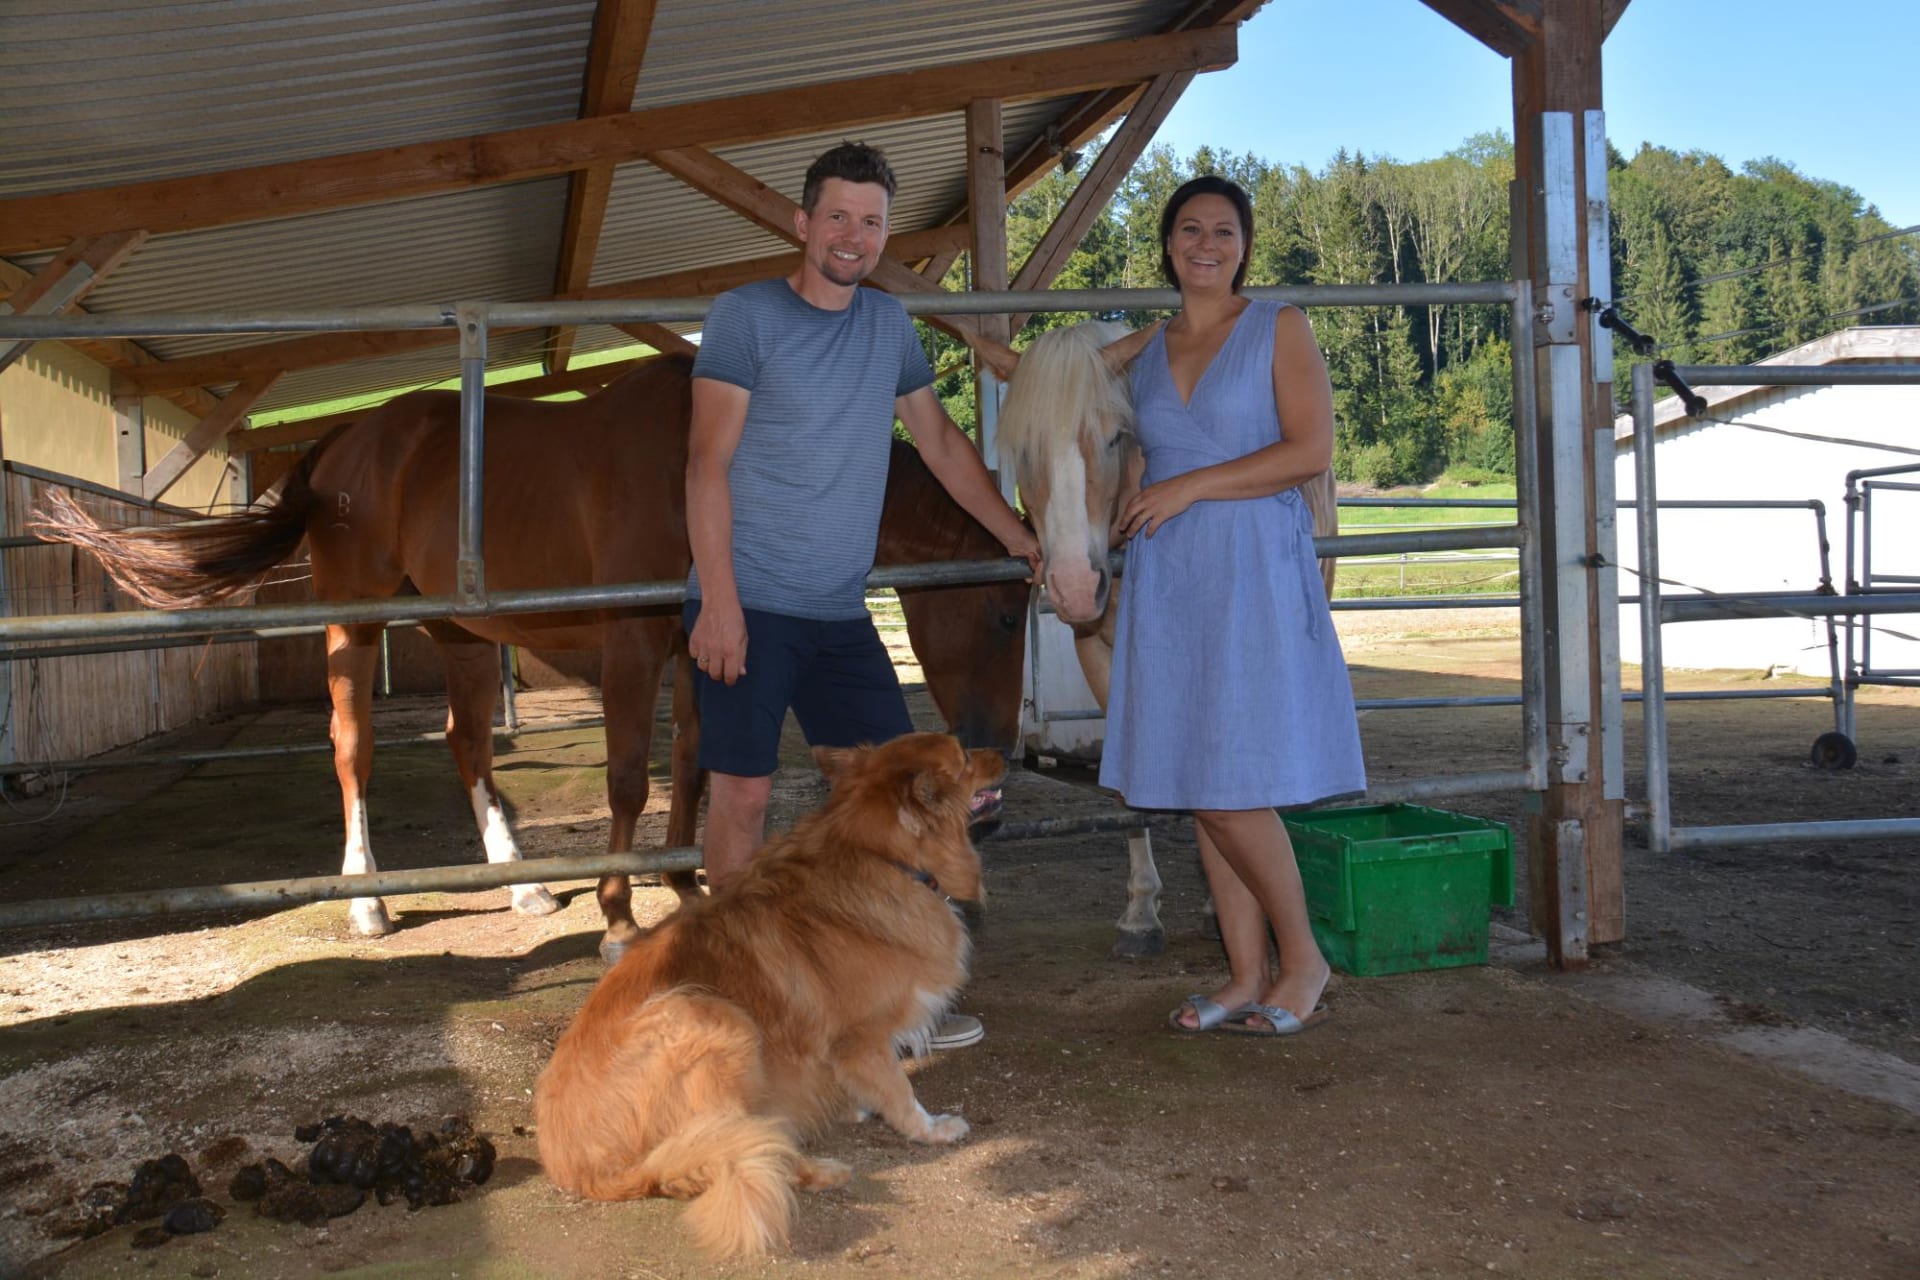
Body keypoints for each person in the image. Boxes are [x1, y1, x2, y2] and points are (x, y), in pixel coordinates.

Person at [684, 141, 1040, 1051]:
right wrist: (718, 602)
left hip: (838, 611)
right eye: (838, 216)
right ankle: (741, 997)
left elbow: (943, 447)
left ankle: (890, 1008)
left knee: (906, 795)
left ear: (885, 235)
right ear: (803, 222)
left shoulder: (887, 326)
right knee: (743, 795)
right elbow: (706, 463)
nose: (854, 236)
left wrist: (1014, 536)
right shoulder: (745, 317)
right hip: (750, 600)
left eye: (871, 222)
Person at [1100, 175, 1366, 1037]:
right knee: (1200, 779)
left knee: (1233, 783)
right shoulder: (1148, 348)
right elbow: (1090, 412)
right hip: (1169, 577)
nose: (1205, 244)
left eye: (1223, 230)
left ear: (1245, 246)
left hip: (1252, 566)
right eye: (1189, 229)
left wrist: (1189, 488)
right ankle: (1245, 972)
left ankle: (1303, 958)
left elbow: (1310, 449)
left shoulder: (1279, 326)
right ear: (1167, 244)